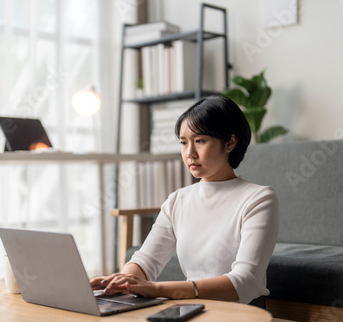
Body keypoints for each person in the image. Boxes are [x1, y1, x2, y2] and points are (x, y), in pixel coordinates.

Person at [91, 95, 279, 304]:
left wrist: (157, 288)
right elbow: (146, 260)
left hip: (241, 317)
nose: (190, 153)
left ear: (230, 143)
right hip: (194, 311)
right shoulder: (178, 200)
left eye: (200, 141)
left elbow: (246, 282)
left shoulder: (258, 199)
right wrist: (123, 281)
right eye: (183, 142)